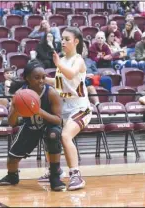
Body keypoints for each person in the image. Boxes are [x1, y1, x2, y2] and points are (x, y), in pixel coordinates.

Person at [0, 60, 66, 191]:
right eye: (37, 78)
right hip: (30, 126)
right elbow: (12, 123)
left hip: (49, 125)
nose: (41, 81)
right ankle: (12, 176)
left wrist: (39, 111)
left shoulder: (51, 93)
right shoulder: (20, 95)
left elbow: (58, 120)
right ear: (27, 78)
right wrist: (16, 111)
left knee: (53, 135)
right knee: (11, 160)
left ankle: (55, 176)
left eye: (43, 77)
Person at [44, 27, 92, 191]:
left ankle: (76, 175)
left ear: (76, 42)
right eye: (62, 39)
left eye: (66, 39)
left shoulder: (78, 59)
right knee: (50, 135)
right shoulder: (62, 60)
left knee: (65, 136)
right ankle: (54, 170)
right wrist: (40, 78)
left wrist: (57, 64)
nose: (62, 42)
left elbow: (71, 75)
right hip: (64, 108)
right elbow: (59, 83)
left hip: (80, 108)